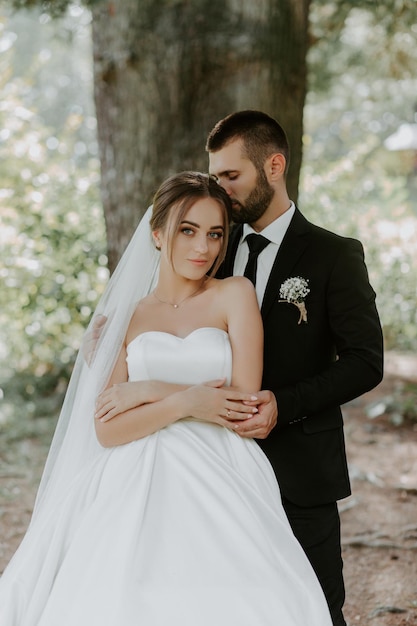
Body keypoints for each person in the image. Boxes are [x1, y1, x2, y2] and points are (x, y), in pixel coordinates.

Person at [0, 172, 333, 625]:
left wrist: (152, 389)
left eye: (215, 234)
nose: (204, 248)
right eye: (187, 230)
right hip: (136, 467)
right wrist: (186, 403)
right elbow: (107, 428)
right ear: (158, 234)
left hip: (222, 464)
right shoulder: (125, 318)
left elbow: (242, 402)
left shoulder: (234, 294)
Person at [204, 110, 384, 626]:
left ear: (274, 166)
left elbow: (365, 362)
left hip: (302, 468)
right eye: (216, 177)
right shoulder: (212, 251)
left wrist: (285, 405)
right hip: (216, 466)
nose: (222, 190)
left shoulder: (334, 255)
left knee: (316, 609)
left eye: (231, 176)